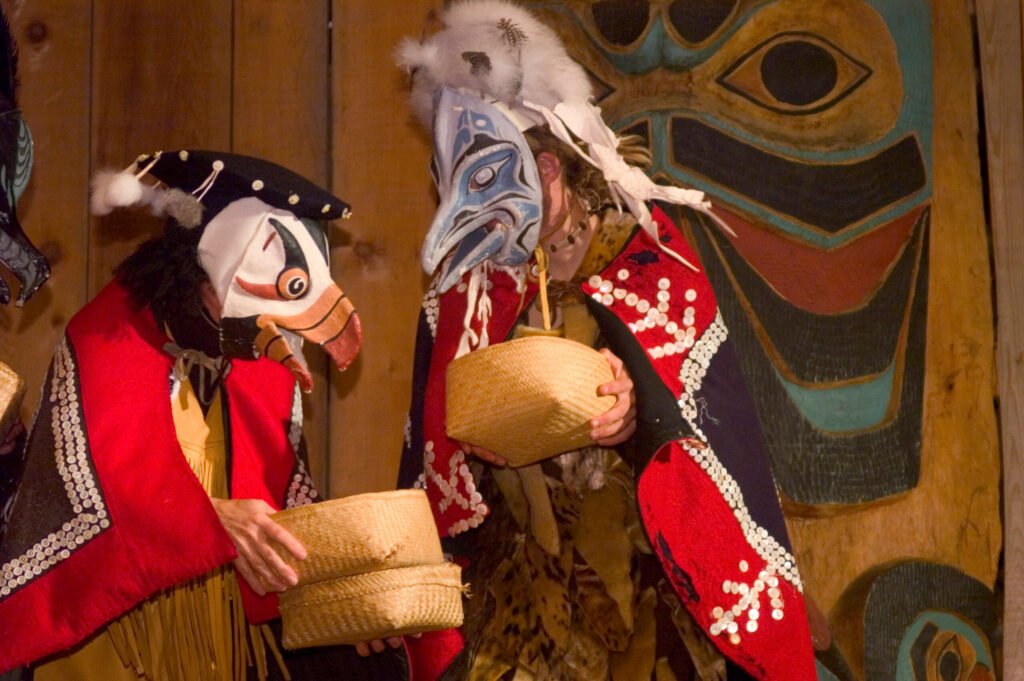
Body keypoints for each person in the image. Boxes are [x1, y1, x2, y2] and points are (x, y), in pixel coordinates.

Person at [395, 2, 818, 680]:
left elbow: (699, 426)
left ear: (549, 169)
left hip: (644, 589)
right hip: (518, 605)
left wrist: (634, 414)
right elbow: (433, 465)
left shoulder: (648, 262)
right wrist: (474, 436)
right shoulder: (464, 296)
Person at [0, 151, 403, 681]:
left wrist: (338, 590)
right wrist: (210, 518)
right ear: (193, 278)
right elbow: (80, 497)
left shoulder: (265, 361)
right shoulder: (102, 341)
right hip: (114, 647)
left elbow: (285, 497)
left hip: (226, 648)